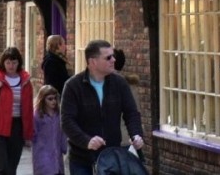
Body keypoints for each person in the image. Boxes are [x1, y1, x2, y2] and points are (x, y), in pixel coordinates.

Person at [61, 39, 144, 175]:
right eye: (108, 57)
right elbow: (67, 121)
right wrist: (87, 141)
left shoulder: (119, 83)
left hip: (112, 157)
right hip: (82, 159)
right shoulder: (73, 86)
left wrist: (136, 134)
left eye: (113, 56)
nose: (113, 60)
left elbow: (131, 113)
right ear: (93, 61)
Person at [0, 46, 35, 175]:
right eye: (8, 62)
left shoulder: (26, 81)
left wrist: (28, 133)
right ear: (3, 63)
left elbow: (28, 109)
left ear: (19, 63)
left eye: (14, 62)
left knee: (11, 168)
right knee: (1, 168)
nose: (11, 65)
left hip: (16, 127)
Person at [32, 85, 67, 175]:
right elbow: (33, 134)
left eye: (55, 98)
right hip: (42, 154)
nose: (53, 101)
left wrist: (64, 147)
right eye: (50, 99)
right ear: (43, 99)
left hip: (57, 154)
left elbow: (63, 132)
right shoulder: (37, 115)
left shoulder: (59, 114)